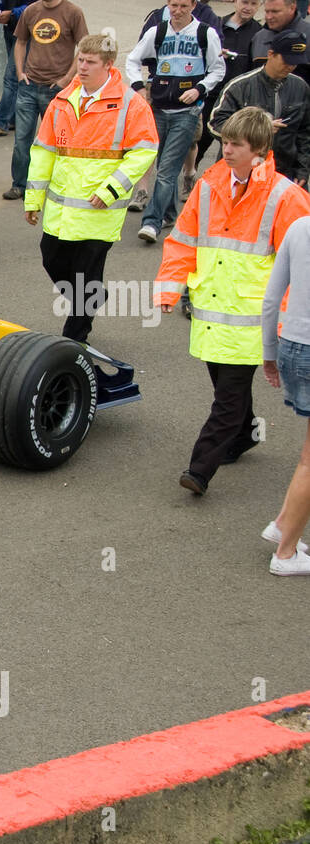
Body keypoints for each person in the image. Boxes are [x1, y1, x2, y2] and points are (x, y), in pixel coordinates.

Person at [154, 107, 310, 496]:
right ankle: (244, 435)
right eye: (224, 142)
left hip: (253, 319)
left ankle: (199, 469)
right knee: (227, 389)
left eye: (234, 145)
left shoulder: (285, 196)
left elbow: (301, 267)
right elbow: (182, 241)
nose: (225, 150)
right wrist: (168, 288)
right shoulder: (209, 185)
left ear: (258, 149)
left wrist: (286, 322)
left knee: (226, 401)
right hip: (211, 313)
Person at [24, 33, 159, 342]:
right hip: (61, 209)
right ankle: (90, 301)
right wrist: (33, 199)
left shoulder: (131, 105)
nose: (82, 67)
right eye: (80, 60)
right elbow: (44, 149)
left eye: (90, 62)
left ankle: (75, 337)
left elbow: (144, 151)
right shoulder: (63, 100)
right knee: (51, 257)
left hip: (100, 210)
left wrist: (111, 189)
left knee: (85, 276)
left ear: (108, 65)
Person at [125, 0, 225, 243]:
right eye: (173, 5)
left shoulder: (205, 33)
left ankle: (151, 222)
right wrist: (138, 88)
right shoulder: (157, 31)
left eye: (183, 6)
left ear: (193, 6)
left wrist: (199, 89)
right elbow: (132, 60)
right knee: (157, 161)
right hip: (158, 108)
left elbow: (217, 69)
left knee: (168, 169)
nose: (178, 11)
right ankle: (169, 213)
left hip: (187, 112)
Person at [260, 207, 310, 573]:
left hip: (292, 343)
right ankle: (286, 553)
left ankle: (282, 526)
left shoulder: (298, 227)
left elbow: (271, 300)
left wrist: (269, 354)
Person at [4, 0, 88, 200]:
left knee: (58, 140)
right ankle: (19, 185)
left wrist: (67, 79)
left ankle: (56, 186)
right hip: (29, 85)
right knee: (22, 140)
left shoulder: (73, 12)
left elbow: (84, 48)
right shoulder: (32, 11)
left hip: (57, 89)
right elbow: (21, 42)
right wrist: (19, 72)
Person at [210, 29, 310, 187]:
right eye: (286, 61)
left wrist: (303, 170)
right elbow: (215, 124)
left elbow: (305, 134)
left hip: (285, 173)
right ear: (271, 54)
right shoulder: (240, 86)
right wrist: (257, 129)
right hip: (244, 172)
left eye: (295, 62)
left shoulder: (301, 87)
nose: (291, 66)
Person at [196, 0, 264, 166]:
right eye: (244, 2)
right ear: (235, 2)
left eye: (253, 4)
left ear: (260, 6)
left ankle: (222, 183)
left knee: (229, 147)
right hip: (210, 93)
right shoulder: (216, 25)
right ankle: (190, 173)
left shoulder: (259, 34)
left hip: (237, 100)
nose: (248, 8)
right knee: (199, 141)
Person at [0, 0, 30, 138]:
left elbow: (37, 6)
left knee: (12, 78)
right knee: (17, 77)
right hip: (11, 28)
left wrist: (12, 13)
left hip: (27, 32)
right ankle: (13, 118)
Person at [252, 0, 310, 85]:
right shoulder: (258, 37)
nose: (269, 17)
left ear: (292, 8)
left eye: (275, 11)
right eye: (267, 11)